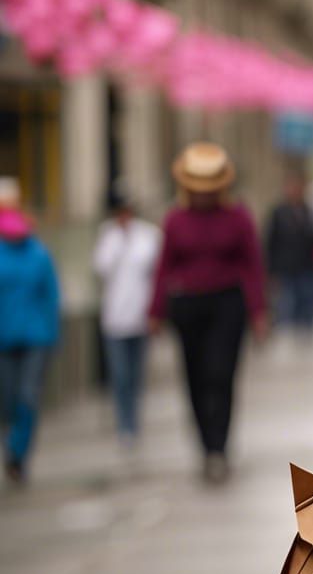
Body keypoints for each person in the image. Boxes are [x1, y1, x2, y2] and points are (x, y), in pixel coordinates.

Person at [149, 144, 267, 484]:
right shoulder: (175, 219)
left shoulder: (238, 217)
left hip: (227, 305)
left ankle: (219, 446)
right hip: (187, 306)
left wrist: (259, 312)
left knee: (220, 375)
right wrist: (155, 312)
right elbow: (164, 266)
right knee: (195, 379)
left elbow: (252, 266)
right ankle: (205, 446)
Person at [93, 188, 161, 447]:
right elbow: (101, 268)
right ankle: (123, 424)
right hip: (115, 318)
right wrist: (119, 240)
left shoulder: (149, 235)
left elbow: (157, 270)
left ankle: (134, 421)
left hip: (141, 316)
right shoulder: (107, 236)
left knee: (136, 375)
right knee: (119, 375)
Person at [0, 206, 60, 484]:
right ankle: (14, 447)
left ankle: (18, 453)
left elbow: (51, 298)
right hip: (5, 339)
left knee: (28, 396)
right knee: (9, 400)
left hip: (36, 338)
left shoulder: (39, 255)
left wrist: (53, 335)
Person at [265, 171, 313, 335]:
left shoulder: (311, 213)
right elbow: (270, 243)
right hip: (285, 269)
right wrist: (271, 272)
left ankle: (304, 334)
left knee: (307, 307)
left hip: (308, 268)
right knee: (285, 308)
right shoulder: (278, 213)